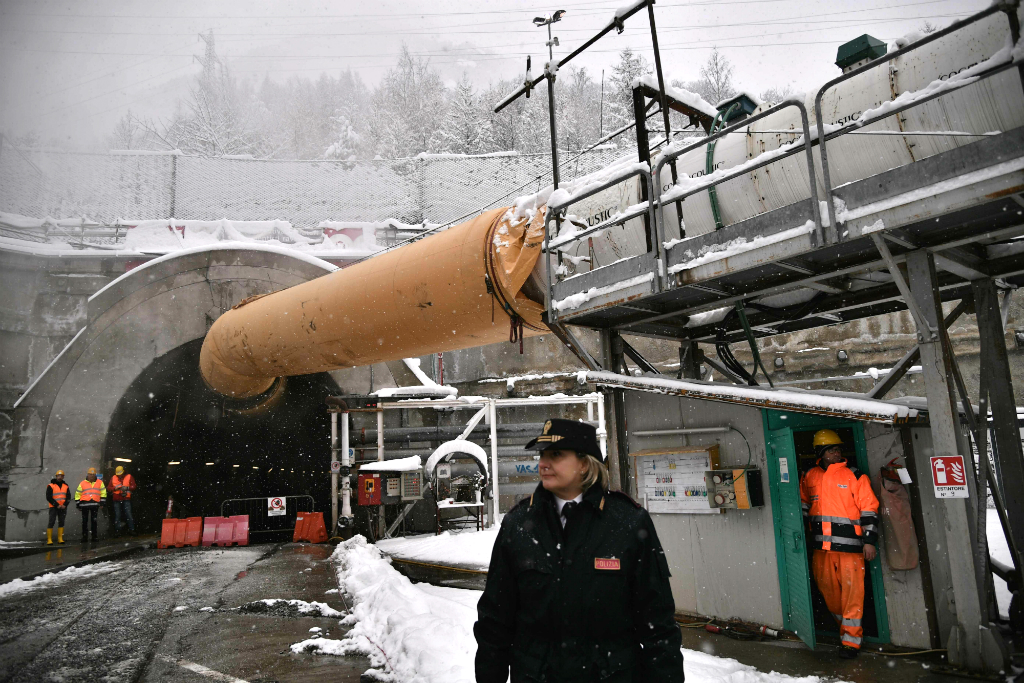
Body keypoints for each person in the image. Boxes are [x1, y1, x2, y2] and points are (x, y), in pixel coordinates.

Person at [475, 418, 685, 682]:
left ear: (585, 464)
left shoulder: (628, 522)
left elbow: (658, 622)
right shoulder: (518, 524)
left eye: (556, 455)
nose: (543, 463)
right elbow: (495, 620)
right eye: (542, 455)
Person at [800, 429, 880, 658]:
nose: (837, 453)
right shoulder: (810, 476)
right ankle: (844, 630)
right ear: (821, 453)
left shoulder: (855, 476)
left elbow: (869, 510)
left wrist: (869, 541)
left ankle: (851, 642)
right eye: (831, 450)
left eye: (838, 449)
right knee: (830, 594)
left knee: (853, 595)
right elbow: (803, 507)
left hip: (850, 550)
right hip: (821, 549)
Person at [74, 467, 107, 543]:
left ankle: (94, 536)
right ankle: (85, 537)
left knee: (93, 521)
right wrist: (78, 504)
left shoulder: (100, 483)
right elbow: (77, 494)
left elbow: (103, 493)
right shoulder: (82, 483)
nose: (91, 476)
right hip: (85, 505)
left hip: (94, 505)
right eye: (90, 474)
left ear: (95, 475)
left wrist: (102, 503)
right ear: (87, 474)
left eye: (93, 474)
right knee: (85, 521)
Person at [45, 469, 70, 545]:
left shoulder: (66, 486)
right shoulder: (51, 486)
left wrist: (65, 505)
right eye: (58, 476)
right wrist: (56, 505)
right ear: (56, 476)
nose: (60, 477)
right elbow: (48, 497)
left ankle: (60, 538)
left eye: (61, 476)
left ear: (63, 477)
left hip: (62, 507)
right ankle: (49, 539)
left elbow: (68, 497)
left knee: (61, 522)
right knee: (51, 522)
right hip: (53, 507)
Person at [110, 465, 136, 536]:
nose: (119, 476)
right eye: (118, 474)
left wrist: (127, 488)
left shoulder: (129, 477)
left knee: (129, 515)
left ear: (123, 472)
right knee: (117, 515)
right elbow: (109, 488)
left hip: (126, 499)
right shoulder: (113, 477)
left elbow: (134, 486)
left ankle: (132, 530)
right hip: (116, 499)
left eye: (120, 474)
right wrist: (115, 488)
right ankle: (117, 531)